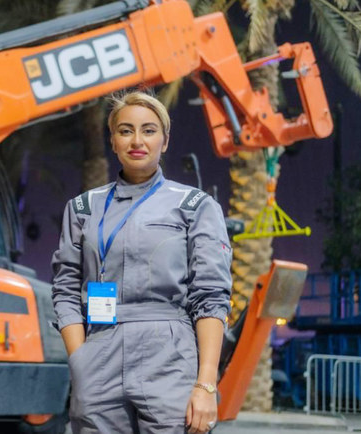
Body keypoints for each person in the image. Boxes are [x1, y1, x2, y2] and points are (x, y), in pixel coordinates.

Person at [51, 91, 232, 434]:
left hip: (170, 354)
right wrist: (81, 360)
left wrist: (206, 385)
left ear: (164, 141)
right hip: (99, 349)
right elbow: (65, 290)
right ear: (113, 140)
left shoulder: (195, 206)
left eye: (149, 130)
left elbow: (210, 297)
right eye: (125, 130)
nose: (137, 140)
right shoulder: (82, 209)